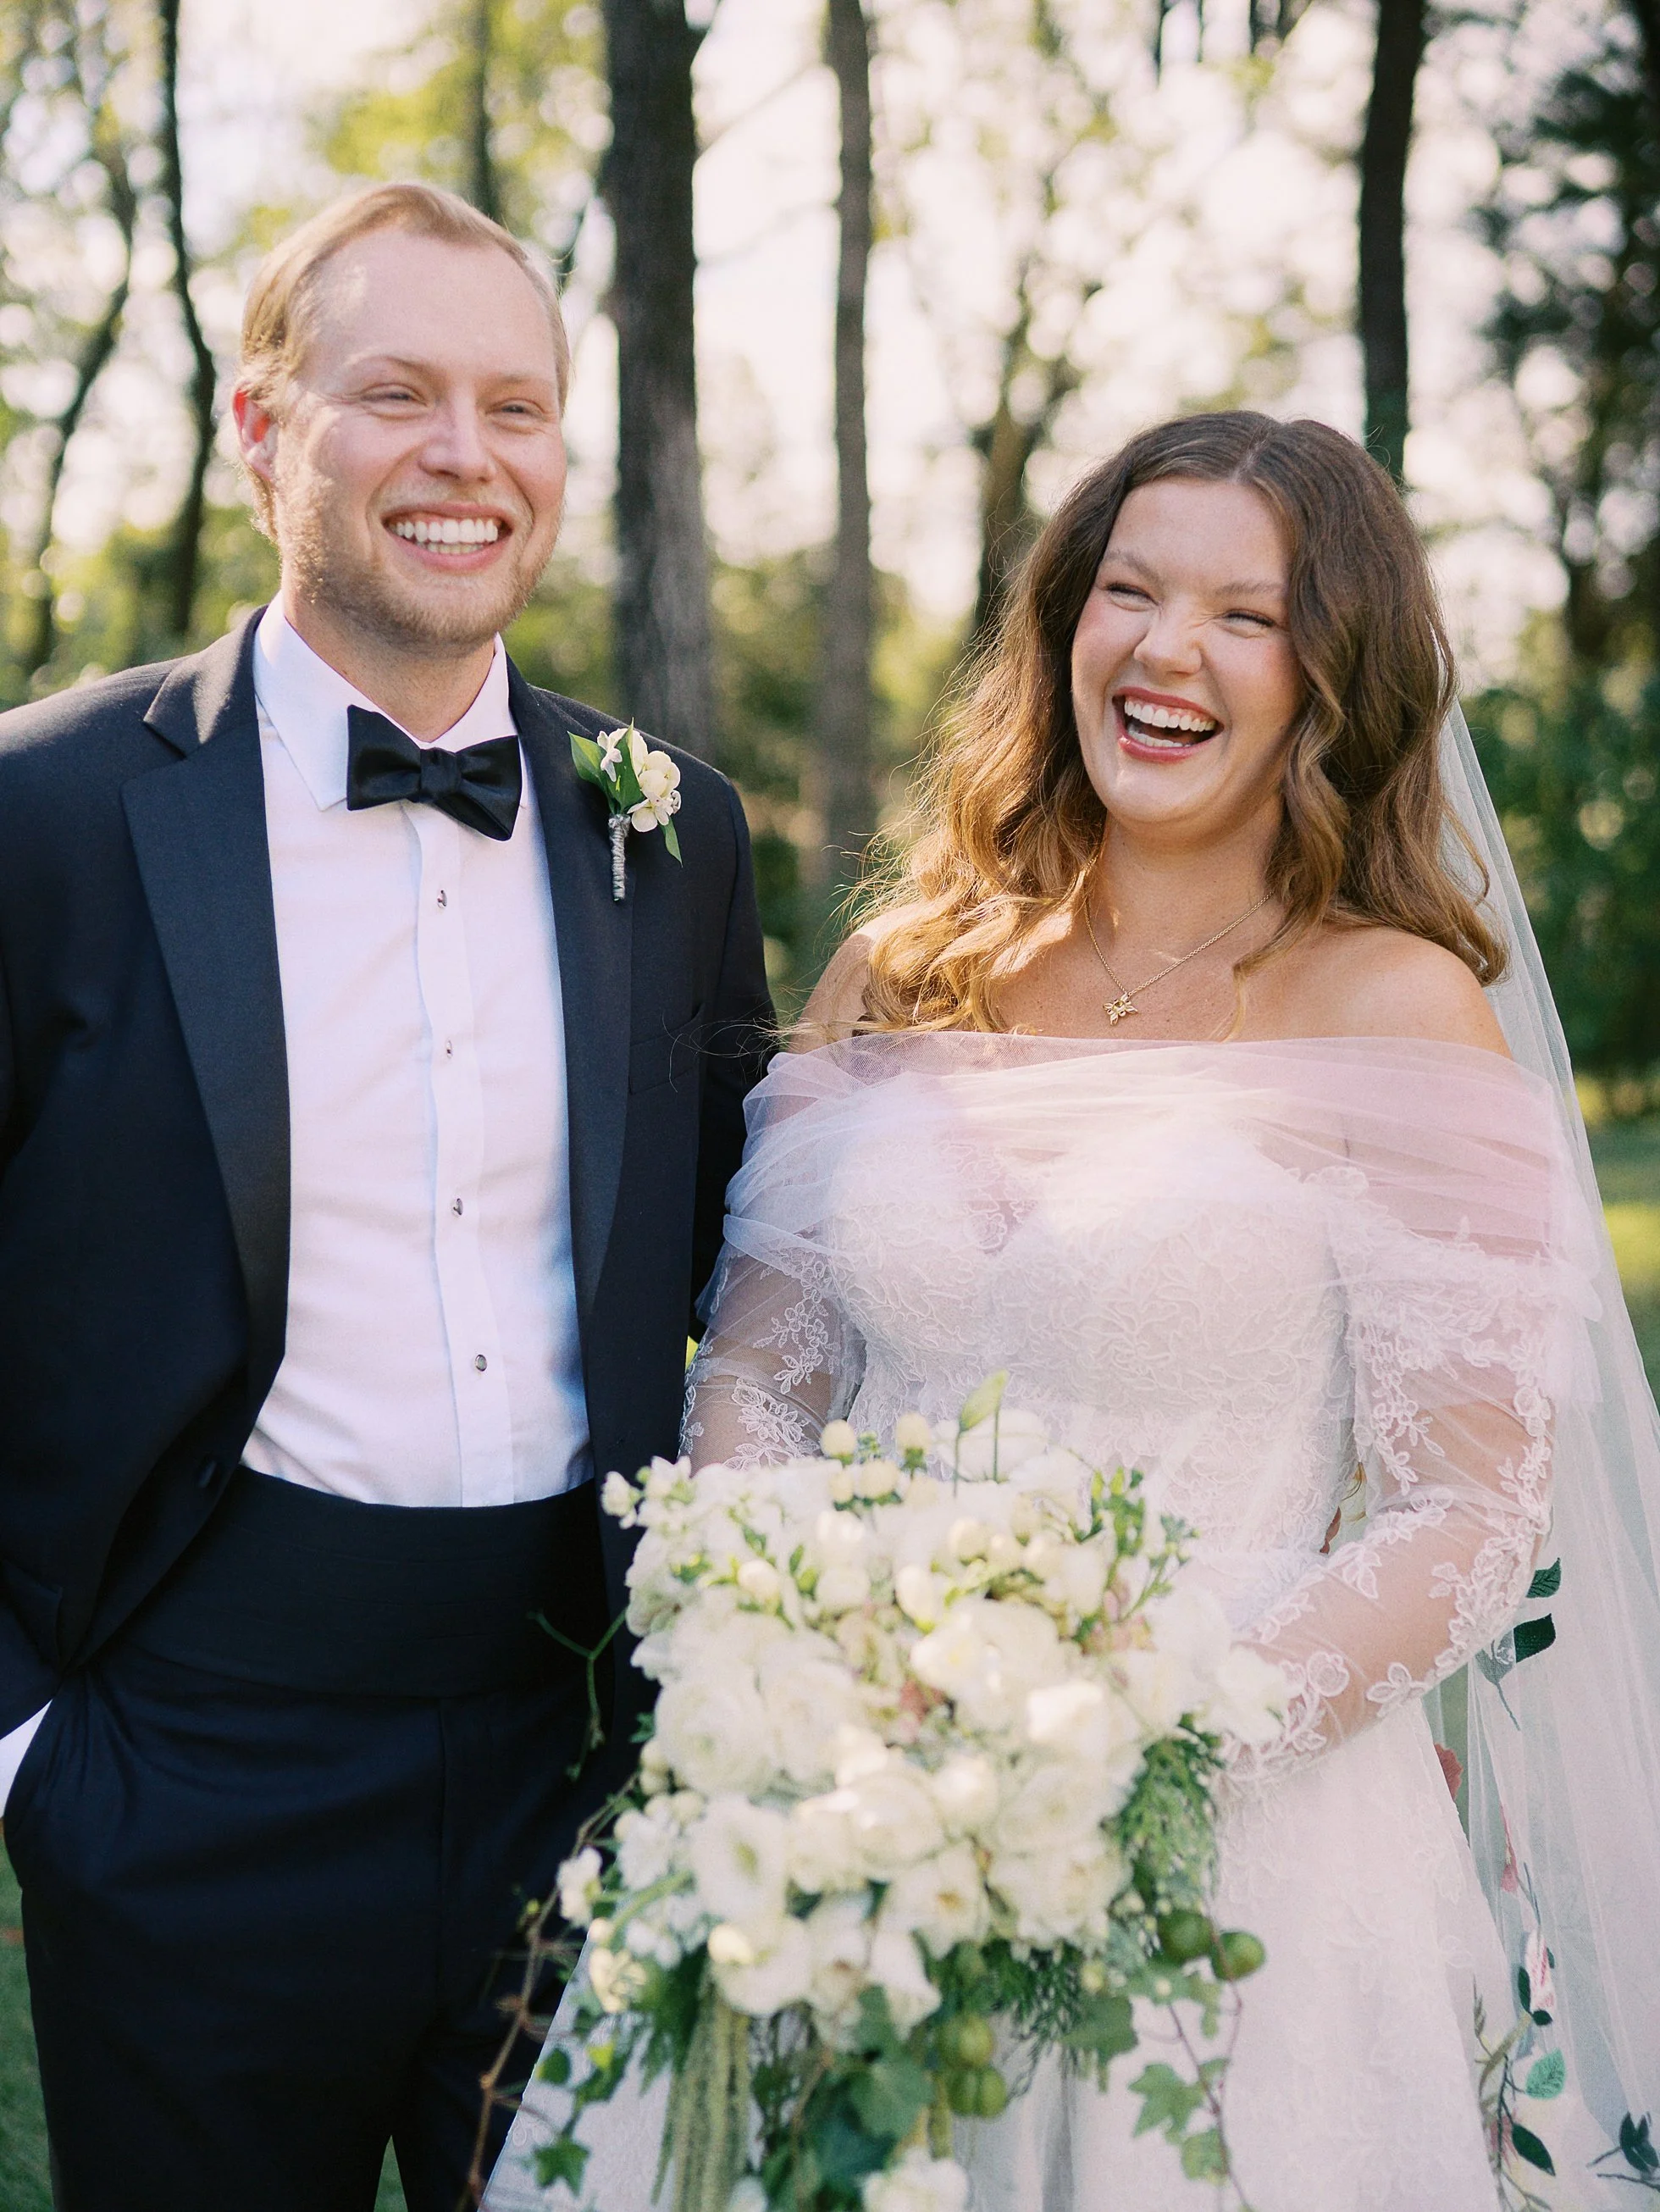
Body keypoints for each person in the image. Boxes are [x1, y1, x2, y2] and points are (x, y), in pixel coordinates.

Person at [489, 412, 1660, 2211]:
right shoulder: (904, 967)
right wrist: (785, 1649)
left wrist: (1141, 1745)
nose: (1166, 648)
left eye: (1243, 616)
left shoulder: (1395, 1008)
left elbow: (1464, 1514)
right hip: (832, 1807)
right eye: (1126, 590)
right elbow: (763, 1368)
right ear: (1062, 629)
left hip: (1233, 1867)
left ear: (1327, 678)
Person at [0, 180, 772, 2212]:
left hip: (575, 1758)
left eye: (515, 408)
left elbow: (747, 1265)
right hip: (183, 1762)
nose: (465, 458)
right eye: (395, 394)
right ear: (263, 426)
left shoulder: (674, 836)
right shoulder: (45, 815)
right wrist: (27, 1750)